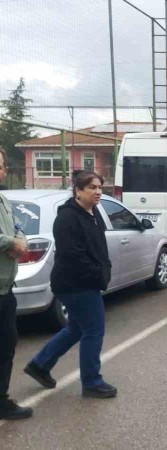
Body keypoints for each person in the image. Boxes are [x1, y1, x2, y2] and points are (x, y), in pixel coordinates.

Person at [25, 172, 117, 398]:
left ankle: (40, 364)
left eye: (99, 187)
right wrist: (98, 274)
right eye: (92, 187)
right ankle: (92, 382)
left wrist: (105, 268)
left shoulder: (91, 213)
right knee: (94, 330)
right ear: (78, 190)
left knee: (77, 328)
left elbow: (96, 248)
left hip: (86, 282)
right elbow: (73, 256)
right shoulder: (67, 218)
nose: (97, 192)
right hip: (75, 285)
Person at [0, 148, 31, 420]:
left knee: (7, 346)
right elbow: (8, 238)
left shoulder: (4, 200)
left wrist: (19, 239)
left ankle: (1, 399)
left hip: (5, 290)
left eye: (0, 166)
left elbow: (19, 227)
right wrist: (11, 242)